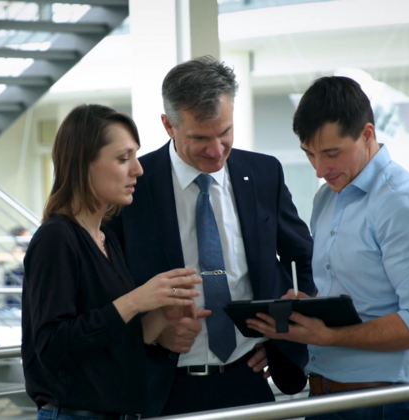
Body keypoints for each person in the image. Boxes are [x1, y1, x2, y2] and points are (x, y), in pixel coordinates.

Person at [106, 56, 315, 417]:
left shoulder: (264, 174)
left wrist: (279, 336)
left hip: (248, 378)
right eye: (200, 138)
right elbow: (108, 293)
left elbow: (303, 261)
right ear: (168, 126)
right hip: (163, 388)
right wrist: (153, 333)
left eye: (225, 133)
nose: (216, 150)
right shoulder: (132, 188)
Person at [246, 76, 409, 420]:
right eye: (309, 154)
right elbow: (358, 300)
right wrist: (311, 312)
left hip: (386, 406)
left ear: (368, 134)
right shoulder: (327, 197)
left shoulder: (402, 202)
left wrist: (330, 336)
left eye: (331, 153)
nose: (319, 168)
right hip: (324, 399)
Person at [21, 104, 202, 420]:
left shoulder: (106, 238)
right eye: (123, 159)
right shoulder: (57, 238)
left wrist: (161, 316)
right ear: (83, 165)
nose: (138, 169)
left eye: (135, 156)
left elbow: (112, 339)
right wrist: (136, 300)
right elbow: (51, 346)